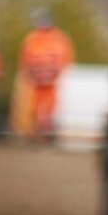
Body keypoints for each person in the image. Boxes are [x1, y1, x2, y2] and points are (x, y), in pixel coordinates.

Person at [15, 8, 75, 141]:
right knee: (34, 107)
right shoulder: (33, 38)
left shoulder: (58, 38)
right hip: (36, 81)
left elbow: (66, 60)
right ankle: (36, 132)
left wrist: (58, 73)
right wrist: (30, 73)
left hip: (53, 82)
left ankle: (47, 132)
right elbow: (25, 59)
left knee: (51, 107)